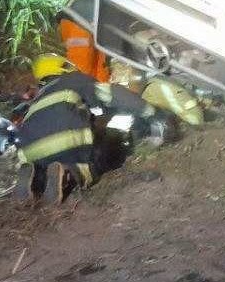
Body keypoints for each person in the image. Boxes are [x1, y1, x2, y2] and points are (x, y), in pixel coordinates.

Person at [15, 54, 151, 204]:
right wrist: (150, 112)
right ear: (64, 66)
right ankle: (72, 174)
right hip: (67, 142)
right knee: (113, 143)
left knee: (49, 165)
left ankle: (38, 179)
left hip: (29, 152)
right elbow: (115, 95)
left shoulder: (36, 99)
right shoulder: (76, 79)